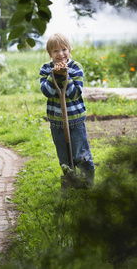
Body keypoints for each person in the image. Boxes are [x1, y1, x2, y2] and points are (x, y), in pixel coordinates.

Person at [40, 33, 95, 188]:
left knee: (80, 153)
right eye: (55, 51)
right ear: (50, 54)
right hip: (57, 122)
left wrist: (65, 75)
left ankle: (88, 182)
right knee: (64, 154)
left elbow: (74, 94)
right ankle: (71, 180)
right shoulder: (46, 68)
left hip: (75, 120)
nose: (60, 54)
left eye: (64, 49)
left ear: (70, 49)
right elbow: (47, 92)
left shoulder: (76, 67)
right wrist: (53, 75)